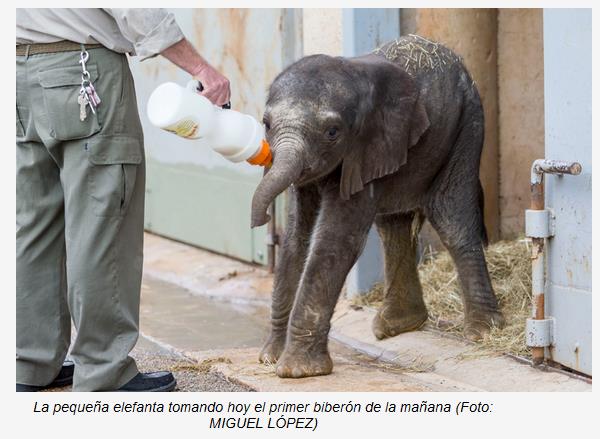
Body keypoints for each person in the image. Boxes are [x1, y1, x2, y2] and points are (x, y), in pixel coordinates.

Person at [16, 8, 230, 392]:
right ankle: (103, 369)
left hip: (17, 72)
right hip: (82, 71)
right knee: (103, 217)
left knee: (33, 225)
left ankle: (29, 364)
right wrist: (201, 68)